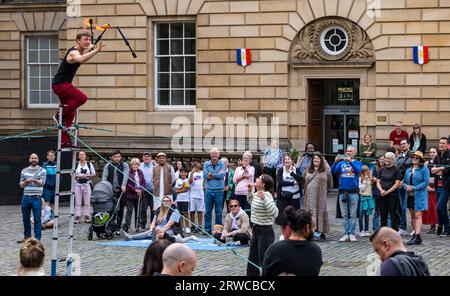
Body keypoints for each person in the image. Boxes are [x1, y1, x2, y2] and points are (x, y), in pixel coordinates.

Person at [52, 31, 105, 148]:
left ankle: (64, 142)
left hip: (63, 84)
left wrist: (91, 48)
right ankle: (59, 116)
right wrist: (95, 51)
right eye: (85, 39)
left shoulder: (81, 50)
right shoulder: (73, 52)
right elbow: (80, 59)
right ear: (78, 41)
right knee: (82, 98)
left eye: (89, 40)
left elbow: (85, 52)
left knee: (72, 112)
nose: (88, 42)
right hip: (60, 84)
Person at [262, 207, 323, 276]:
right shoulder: (316, 251)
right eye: (313, 226)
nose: (315, 229)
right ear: (307, 227)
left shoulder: (274, 250)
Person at [120, 196, 198, 243]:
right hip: (159, 228)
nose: (166, 202)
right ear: (162, 202)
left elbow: (170, 224)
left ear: (171, 202)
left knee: (162, 233)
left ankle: (156, 238)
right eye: (164, 201)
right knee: (149, 232)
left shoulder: (175, 211)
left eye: (168, 201)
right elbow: (154, 222)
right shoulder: (158, 210)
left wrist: (162, 230)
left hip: (172, 229)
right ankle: (130, 237)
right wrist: (151, 229)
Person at [246, 174, 278, 276]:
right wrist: (250, 191)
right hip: (256, 229)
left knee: (265, 261)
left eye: (259, 179)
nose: (256, 179)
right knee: (252, 260)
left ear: (263, 184)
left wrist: (264, 199)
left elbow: (275, 213)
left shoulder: (267, 195)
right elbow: (251, 201)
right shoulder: (257, 193)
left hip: (265, 232)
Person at [331, 146, 362, 242]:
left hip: (353, 192)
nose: (348, 152)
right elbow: (332, 171)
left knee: (353, 214)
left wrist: (351, 162)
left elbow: (358, 171)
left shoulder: (357, 162)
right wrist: (335, 161)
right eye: (347, 151)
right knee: (344, 215)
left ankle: (352, 233)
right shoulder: (341, 163)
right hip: (342, 192)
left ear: (354, 153)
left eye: (350, 151)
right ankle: (346, 233)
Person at [303, 152, 333, 240]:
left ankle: (321, 231)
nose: (315, 160)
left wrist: (327, 191)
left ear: (321, 160)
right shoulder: (307, 169)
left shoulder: (326, 170)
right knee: (310, 212)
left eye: (318, 158)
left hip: (321, 195)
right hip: (309, 196)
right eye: (314, 158)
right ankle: (310, 232)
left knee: (321, 211)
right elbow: (303, 180)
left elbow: (330, 182)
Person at [18, 153, 46, 243]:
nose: (34, 159)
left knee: (37, 219)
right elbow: (21, 185)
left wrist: (35, 180)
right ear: (29, 159)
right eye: (32, 158)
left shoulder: (42, 170)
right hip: (26, 197)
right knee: (25, 218)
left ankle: (37, 239)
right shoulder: (24, 170)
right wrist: (26, 181)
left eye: (35, 158)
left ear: (38, 160)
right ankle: (27, 237)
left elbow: (42, 182)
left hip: (37, 197)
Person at [403, 151, 430, 245]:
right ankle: (415, 234)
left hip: (419, 195)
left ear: (420, 160)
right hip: (409, 196)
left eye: (417, 158)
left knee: (418, 215)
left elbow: (426, 182)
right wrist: (406, 186)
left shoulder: (424, 169)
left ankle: (418, 236)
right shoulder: (408, 169)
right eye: (413, 157)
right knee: (413, 215)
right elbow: (404, 181)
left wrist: (414, 188)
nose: (414, 159)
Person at [276, 153, 302, 240]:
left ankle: (294, 233)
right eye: (285, 159)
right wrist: (292, 183)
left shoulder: (296, 169)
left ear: (292, 160)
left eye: (289, 159)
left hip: (295, 196)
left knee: (295, 215)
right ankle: (282, 234)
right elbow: (280, 182)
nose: (287, 161)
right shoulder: (280, 170)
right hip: (283, 196)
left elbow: (300, 179)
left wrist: (291, 172)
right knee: (282, 216)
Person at [102, 150, 129, 232]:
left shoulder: (125, 165)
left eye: (118, 157)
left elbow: (125, 176)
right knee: (110, 208)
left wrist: (124, 185)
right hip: (110, 191)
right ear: (112, 157)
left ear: (120, 157)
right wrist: (104, 186)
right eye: (115, 157)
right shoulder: (108, 165)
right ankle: (110, 225)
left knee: (120, 209)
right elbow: (104, 177)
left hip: (121, 190)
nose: (117, 158)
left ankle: (118, 226)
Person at [377, 152, 401, 232]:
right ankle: (382, 232)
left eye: (388, 158)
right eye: (385, 158)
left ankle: (394, 231)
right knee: (382, 214)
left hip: (392, 195)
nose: (386, 160)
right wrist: (381, 190)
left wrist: (388, 192)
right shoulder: (382, 169)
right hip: (382, 194)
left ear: (392, 160)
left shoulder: (396, 170)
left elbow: (397, 183)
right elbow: (378, 181)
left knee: (392, 214)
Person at [203, 147, 225, 234]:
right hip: (208, 190)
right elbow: (205, 176)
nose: (214, 155)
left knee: (218, 211)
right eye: (213, 153)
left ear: (218, 155)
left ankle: (218, 229)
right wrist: (216, 174)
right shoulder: (206, 164)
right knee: (208, 211)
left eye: (216, 153)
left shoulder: (222, 163)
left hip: (219, 190)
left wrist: (211, 174)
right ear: (210, 155)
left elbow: (222, 174)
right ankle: (207, 229)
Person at [432, 137, 450, 236]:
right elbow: (433, 170)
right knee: (442, 208)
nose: (441, 145)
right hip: (437, 185)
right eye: (440, 143)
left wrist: (441, 169)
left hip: (446, 186)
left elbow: (447, 170)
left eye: (443, 143)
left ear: (447, 145)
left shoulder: (449, 154)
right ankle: (448, 229)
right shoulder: (438, 155)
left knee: (439, 207)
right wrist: (441, 169)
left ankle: (440, 224)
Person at [395, 139, 412, 235]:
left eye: (404, 144)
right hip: (398, 184)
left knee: (405, 206)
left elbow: (409, 171)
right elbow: (396, 169)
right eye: (401, 144)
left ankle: (404, 226)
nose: (402, 145)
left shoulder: (411, 156)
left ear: (408, 145)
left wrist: (403, 181)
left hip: (406, 184)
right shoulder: (398, 157)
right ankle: (401, 226)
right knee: (399, 206)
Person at [124, 158, 146, 233]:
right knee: (129, 211)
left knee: (138, 211)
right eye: (134, 164)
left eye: (137, 164)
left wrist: (141, 190)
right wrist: (135, 189)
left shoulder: (140, 172)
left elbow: (144, 182)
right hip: (130, 195)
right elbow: (127, 183)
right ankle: (127, 227)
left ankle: (137, 226)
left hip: (139, 195)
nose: (136, 166)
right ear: (131, 164)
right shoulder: (128, 172)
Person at [74, 150, 96, 224]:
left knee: (87, 201)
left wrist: (87, 175)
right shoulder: (76, 164)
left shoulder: (89, 164)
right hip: (78, 184)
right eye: (80, 155)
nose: (81, 156)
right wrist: (78, 176)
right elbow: (72, 174)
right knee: (78, 201)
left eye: (83, 154)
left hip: (87, 184)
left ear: (85, 156)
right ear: (78, 156)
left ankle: (87, 216)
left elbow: (94, 174)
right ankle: (77, 216)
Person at [233, 152, 255, 218]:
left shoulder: (252, 168)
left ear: (250, 160)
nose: (245, 160)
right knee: (239, 211)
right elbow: (234, 180)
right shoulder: (237, 169)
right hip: (238, 192)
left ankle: (248, 226)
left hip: (248, 193)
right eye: (244, 158)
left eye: (247, 158)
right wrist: (242, 177)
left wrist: (244, 167)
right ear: (242, 160)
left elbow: (248, 174)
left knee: (247, 211)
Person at [423, 147, 438, 233]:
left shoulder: (440, 163)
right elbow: (423, 176)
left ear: (437, 153)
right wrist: (426, 186)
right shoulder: (426, 164)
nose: (432, 154)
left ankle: (439, 224)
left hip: (437, 186)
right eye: (431, 152)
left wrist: (434, 187)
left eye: (434, 152)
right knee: (430, 207)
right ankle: (432, 225)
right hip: (428, 186)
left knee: (437, 206)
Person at [139, 151, 154, 229]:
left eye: (148, 156)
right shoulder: (139, 165)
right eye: (145, 156)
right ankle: (143, 223)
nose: (146, 158)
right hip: (143, 190)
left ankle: (152, 223)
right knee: (143, 208)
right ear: (143, 157)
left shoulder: (155, 166)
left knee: (153, 208)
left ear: (151, 158)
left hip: (153, 190)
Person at [189, 161, 205, 233]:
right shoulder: (190, 173)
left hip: (200, 194)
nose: (196, 164)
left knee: (200, 211)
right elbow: (190, 182)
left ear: (200, 164)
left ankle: (200, 226)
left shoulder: (202, 173)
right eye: (195, 163)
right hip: (192, 194)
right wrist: (192, 173)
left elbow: (204, 183)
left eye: (198, 163)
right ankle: (192, 225)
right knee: (192, 211)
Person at [359, 165, 375, 237]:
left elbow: (370, 188)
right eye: (365, 172)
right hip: (362, 198)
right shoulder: (360, 179)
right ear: (362, 172)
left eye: (368, 171)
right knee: (361, 215)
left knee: (367, 215)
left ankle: (366, 230)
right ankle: (361, 230)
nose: (367, 173)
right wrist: (365, 181)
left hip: (369, 198)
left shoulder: (369, 178)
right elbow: (362, 189)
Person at [175, 167, 191, 233]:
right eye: (182, 172)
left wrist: (180, 189)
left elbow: (186, 189)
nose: (183, 173)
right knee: (180, 214)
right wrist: (182, 189)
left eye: (185, 172)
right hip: (179, 200)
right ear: (180, 173)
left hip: (185, 199)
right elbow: (176, 190)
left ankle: (187, 227)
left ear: (187, 173)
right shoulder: (178, 180)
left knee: (186, 214)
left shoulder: (187, 180)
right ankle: (181, 227)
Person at [371, 155, 385, 231]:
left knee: (383, 210)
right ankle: (375, 227)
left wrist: (377, 180)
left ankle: (384, 226)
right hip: (376, 191)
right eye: (380, 159)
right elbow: (372, 178)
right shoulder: (375, 168)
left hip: (384, 191)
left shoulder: (387, 169)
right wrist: (375, 180)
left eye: (383, 159)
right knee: (376, 210)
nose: (382, 160)